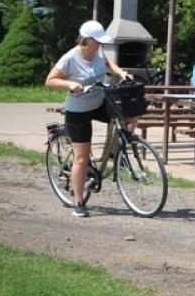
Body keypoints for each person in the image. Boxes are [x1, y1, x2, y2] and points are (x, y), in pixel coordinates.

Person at [45, 20, 132, 216]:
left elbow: (108, 64)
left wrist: (120, 72)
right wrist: (69, 84)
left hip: (99, 102)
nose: (100, 43)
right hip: (78, 110)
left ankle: (118, 151)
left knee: (129, 114)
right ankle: (78, 202)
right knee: (82, 158)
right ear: (86, 40)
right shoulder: (70, 58)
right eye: (97, 40)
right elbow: (50, 80)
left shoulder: (98, 52)